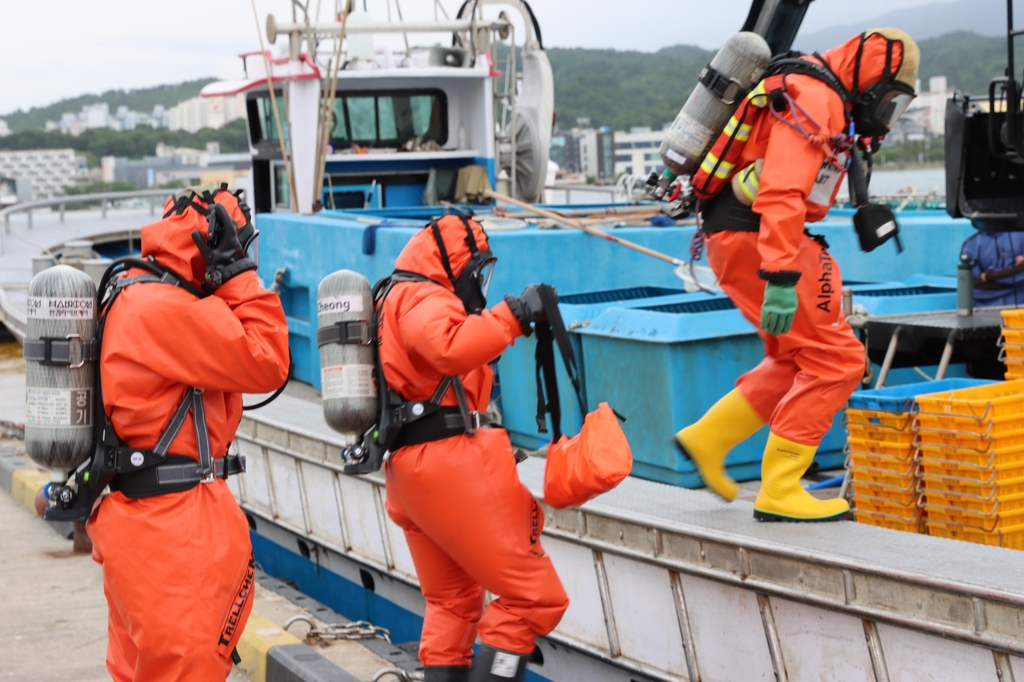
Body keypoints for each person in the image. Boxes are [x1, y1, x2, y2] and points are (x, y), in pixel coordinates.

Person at [674, 29, 919, 521]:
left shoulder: (813, 90)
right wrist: (783, 277)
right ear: (872, 77)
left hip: (739, 237)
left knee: (793, 357)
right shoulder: (817, 96)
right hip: (758, 238)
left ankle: (709, 438)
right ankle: (782, 487)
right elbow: (783, 191)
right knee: (837, 359)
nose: (886, 114)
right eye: (890, 100)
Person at [87, 186, 290, 681]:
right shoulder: (164, 307)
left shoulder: (136, 294)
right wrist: (240, 278)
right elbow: (270, 362)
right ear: (217, 244)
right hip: (176, 532)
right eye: (239, 245)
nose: (245, 257)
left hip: (143, 524)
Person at [380, 214, 568, 682]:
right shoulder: (423, 297)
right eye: (476, 270)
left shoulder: (393, 295)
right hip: (447, 463)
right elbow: (449, 347)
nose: (479, 282)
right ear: (455, 264)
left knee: (452, 602)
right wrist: (515, 314)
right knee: (535, 597)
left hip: (412, 471)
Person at [961, 230, 1024, 307]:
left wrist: (987, 276)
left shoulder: (1021, 235)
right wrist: (1016, 273)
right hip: (984, 312)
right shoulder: (970, 244)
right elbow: (974, 287)